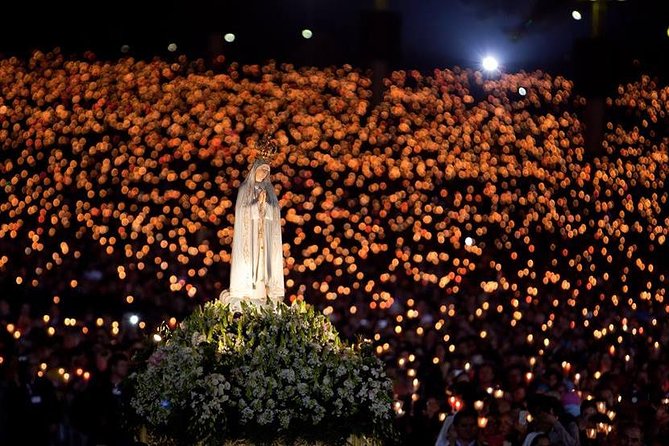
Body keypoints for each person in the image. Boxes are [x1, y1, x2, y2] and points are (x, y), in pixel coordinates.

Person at [223, 138, 284, 310]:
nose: (263, 174)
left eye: (266, 172)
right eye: (261, 171)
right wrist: (258, 205)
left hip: (264, 234)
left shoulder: (269, 191)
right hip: (250, 235)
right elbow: (242, 213)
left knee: (264, 264)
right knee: (252, 263)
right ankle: (247, 289)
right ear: (254, 170)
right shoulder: (245, 189)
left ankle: (264, 288)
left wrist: (266, 205)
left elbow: (275, 212)